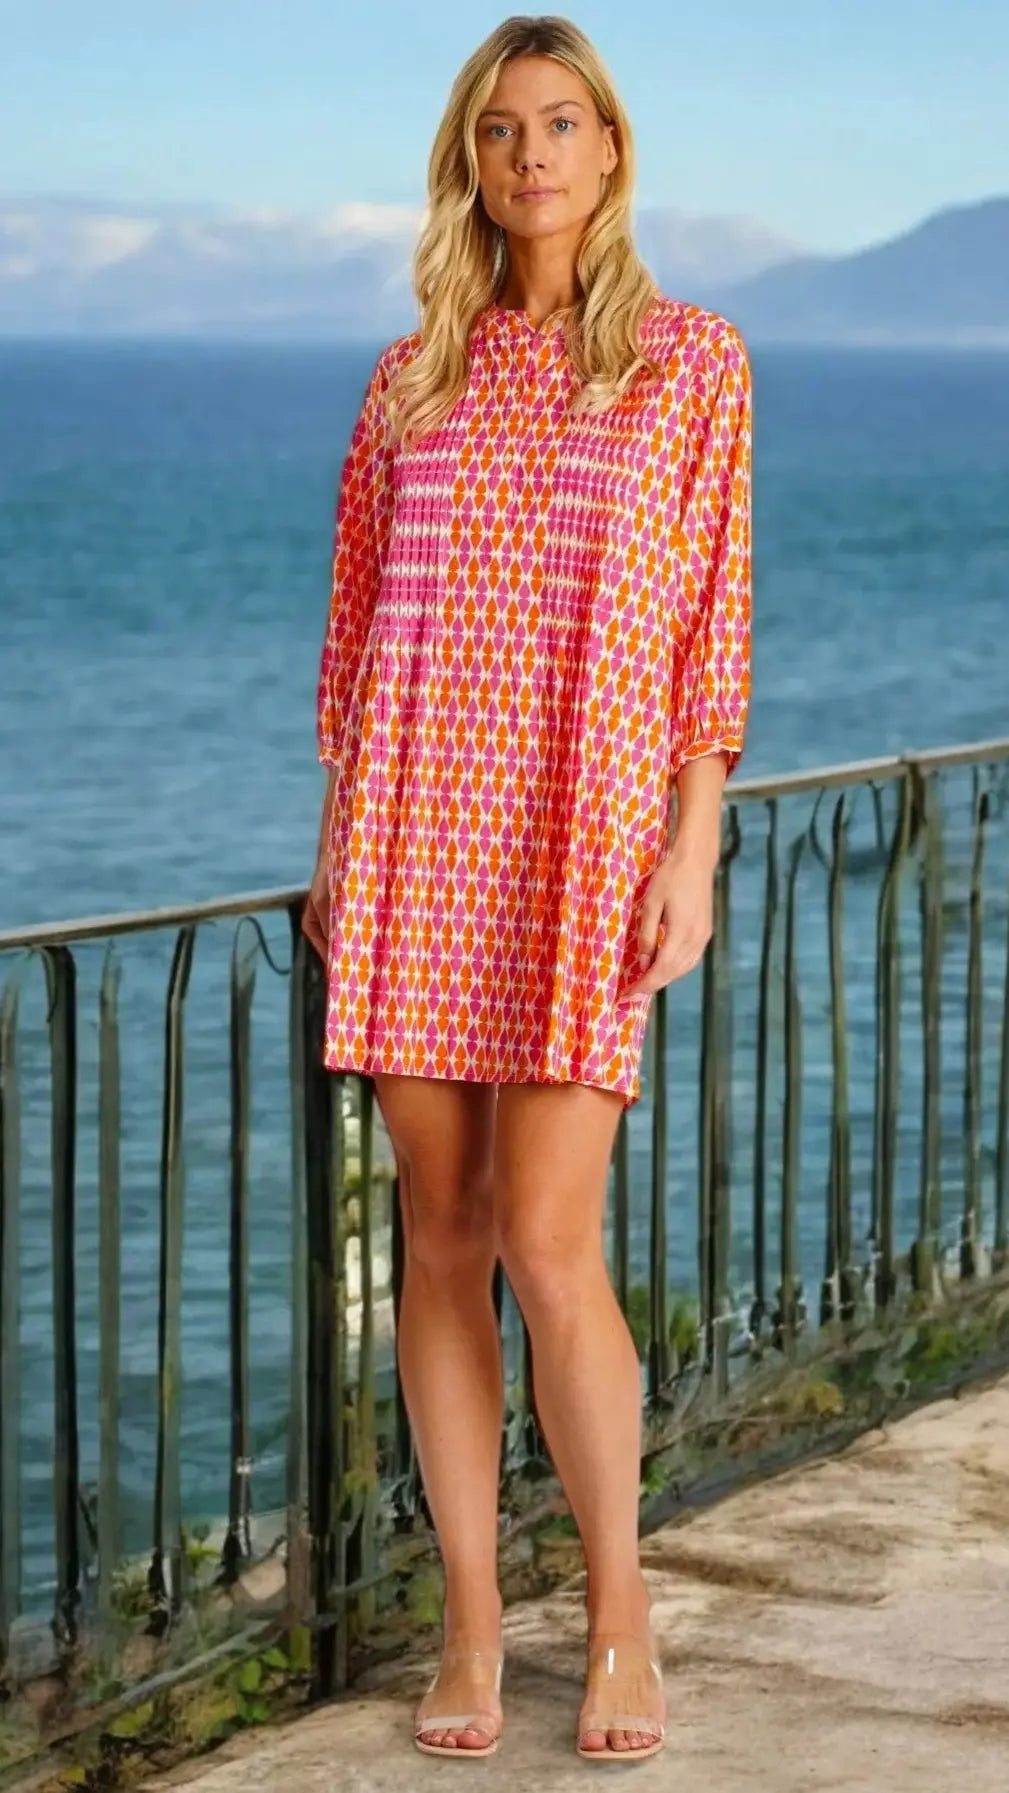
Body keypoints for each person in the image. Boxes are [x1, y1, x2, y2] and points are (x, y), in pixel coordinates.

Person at [304, 12, 752, 1766]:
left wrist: (689, 841)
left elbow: (706, 629)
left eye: (562, 125)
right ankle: (474, 1626)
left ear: (612, 148)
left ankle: (620, 1619)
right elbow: (352, 636)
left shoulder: (691, 360)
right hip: (417, 840)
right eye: (501, 132)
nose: (534, 158)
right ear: (469, 163)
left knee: (554, 1246)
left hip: (576, 844)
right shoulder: (406, 373)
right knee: (442, 1240)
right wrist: (340, 841)